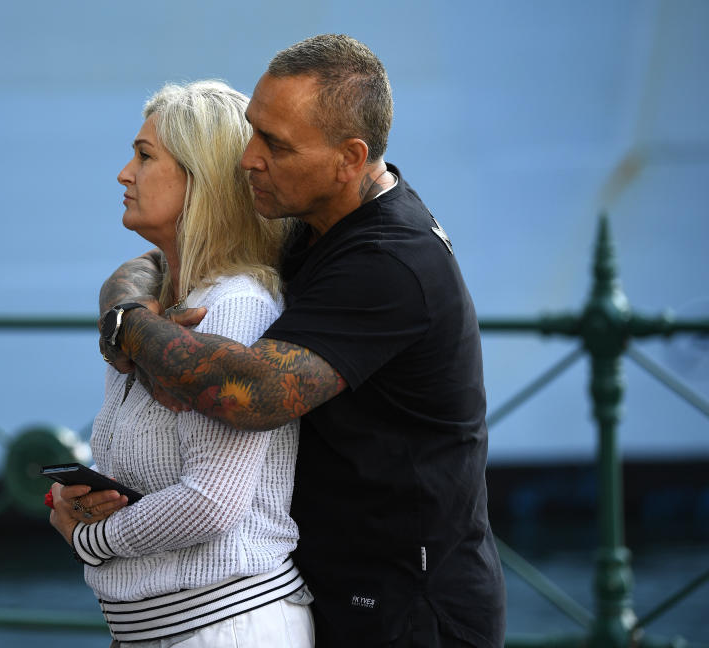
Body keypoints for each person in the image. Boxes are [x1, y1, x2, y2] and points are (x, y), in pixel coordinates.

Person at [84, 35, 507, 647]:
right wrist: (123, 307)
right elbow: (152, 264)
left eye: (275, 146)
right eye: (253, 131)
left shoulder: (391, 262)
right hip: (338, 588)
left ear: (349, 157)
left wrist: (129, 329)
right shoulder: (315, 225)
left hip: (408, 609)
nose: (248, 157)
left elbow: (253, 394)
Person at [47, 80, 314, 647]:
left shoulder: (236, 306)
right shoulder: (155, 311)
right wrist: (82, 501)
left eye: (145, 157)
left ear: (201, 180)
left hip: (226, 629)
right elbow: (141, 476)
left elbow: (211, 502)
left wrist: (90, 539)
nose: (125, 173)